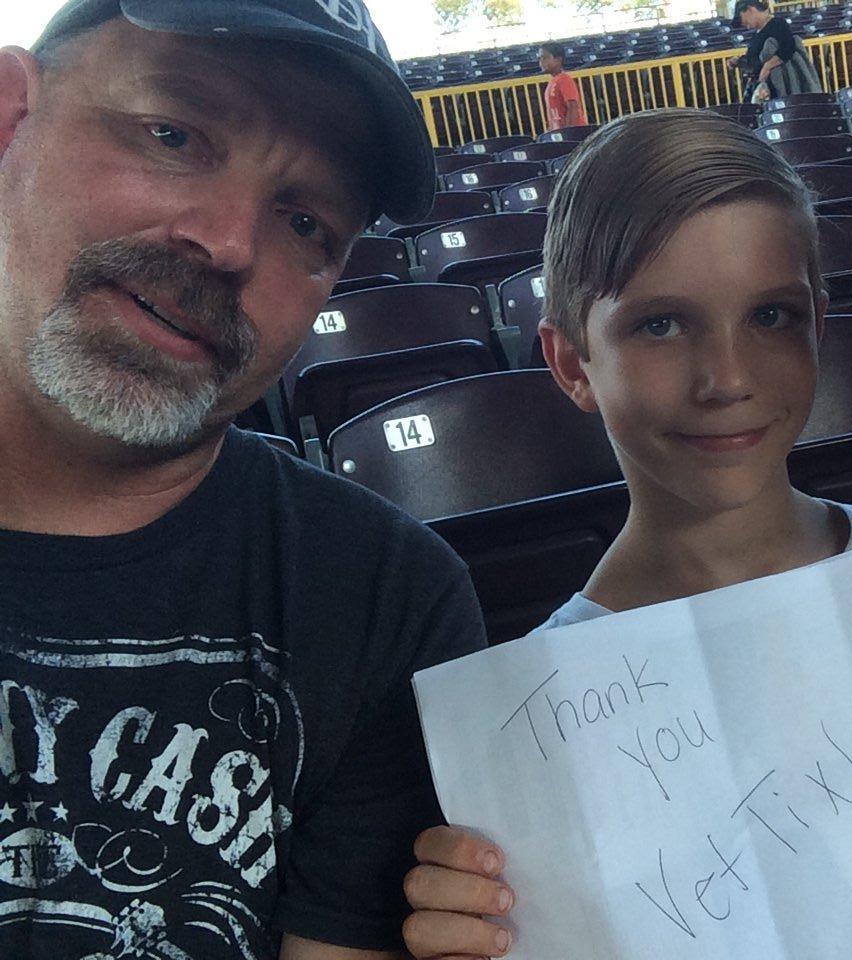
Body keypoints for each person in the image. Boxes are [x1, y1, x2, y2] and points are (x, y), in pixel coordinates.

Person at [398, 108, 852, 959]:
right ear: (570, 363)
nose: (726, 379)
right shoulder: (526, 731)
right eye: (660, 324)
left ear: (818, 326)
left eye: (770, 316)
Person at [0, 1, 486, 958]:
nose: (229, 242)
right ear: (12, 117)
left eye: (305, 222)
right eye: (173, 136)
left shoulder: (383, 599)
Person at [730, 0, 822, 103]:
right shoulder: (757, 33)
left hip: (781, 82)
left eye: (746, 22)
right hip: (763, 82)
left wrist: (767, 67)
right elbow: (753, 58)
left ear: (750, 10)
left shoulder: (778, 23)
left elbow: (787, 49)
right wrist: (738, 61)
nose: (748, 26)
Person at [539, 41, 583, 132]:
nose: (541, 62)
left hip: (573, 134)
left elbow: (572, 107)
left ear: (558, 60)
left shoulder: (564, 79)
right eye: (540, 58)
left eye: (545, 58)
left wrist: (568, 133)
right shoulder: (552, 82)